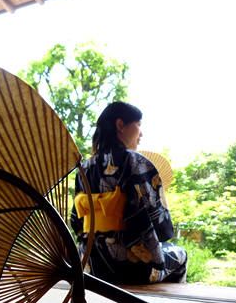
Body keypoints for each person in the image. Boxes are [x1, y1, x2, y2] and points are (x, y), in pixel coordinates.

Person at [70, 102, 187, 284]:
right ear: (120, 125)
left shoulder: (84, 168)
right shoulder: (136, 161)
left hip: (91, 265)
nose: (141, 134)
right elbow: (158, 219)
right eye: (139, 125)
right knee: (180, 253)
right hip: (133, 265)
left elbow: (76, 221)